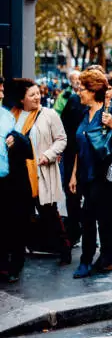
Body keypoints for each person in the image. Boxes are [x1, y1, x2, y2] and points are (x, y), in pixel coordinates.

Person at [70, 70, 112, 278]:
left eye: (82, 88)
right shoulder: (83, 114)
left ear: (92, 91)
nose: (79, 92)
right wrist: (73, 175)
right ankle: (86, 260)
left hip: (106, 177)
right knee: (87, 220)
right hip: (86, 177)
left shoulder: (111, 112)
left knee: (106, 221)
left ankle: (106, 257)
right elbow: (80, 148)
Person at [9, 79, 70, 266]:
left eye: (38, 93)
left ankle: (64, 248)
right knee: (19, 219)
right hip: (19, 176)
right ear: (21, 99)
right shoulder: (12, 116)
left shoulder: (48, 114)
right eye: (32, 95)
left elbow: (61, 139)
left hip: (40, 173)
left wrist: (48, 155)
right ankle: (17, 260)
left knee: (50, 214)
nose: (38, 97)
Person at [0, 78, 34, 283]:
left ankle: (13, 265)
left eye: (3, 91)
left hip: (12, 181)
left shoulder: (7, 117)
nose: (2, 95)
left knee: (14, 224)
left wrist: (15, 139)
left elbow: (27, 147)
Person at [59, 69, 86, 247]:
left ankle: (84, 230)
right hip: (72, 155)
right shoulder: (73, 100)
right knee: (72, 196)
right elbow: (63, 126)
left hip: (86, 158)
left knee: (89, 199)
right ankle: (76, 230)